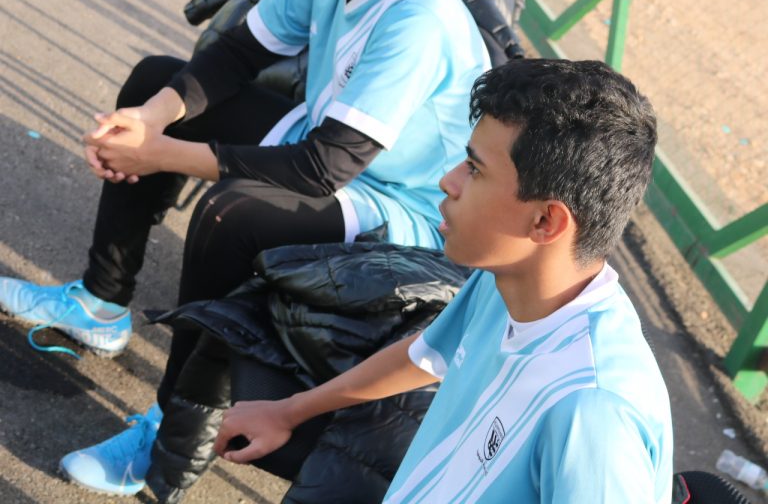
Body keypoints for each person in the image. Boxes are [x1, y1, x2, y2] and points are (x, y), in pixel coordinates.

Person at [0, 0, 489, 494]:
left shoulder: (417, 21)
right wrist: (149, 121)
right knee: (153, 79)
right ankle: (100, 305)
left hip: (404, 209)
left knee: (232, 214)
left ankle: (174, 428)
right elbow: (238, 52)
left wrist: (161, 153)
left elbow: (323, 168)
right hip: (329, 150)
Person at [212, 58, 674, 503]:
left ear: (546, 222)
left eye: (474, 169)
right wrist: (288, 411)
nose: (448, 181)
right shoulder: (507, 283)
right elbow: (425, 354)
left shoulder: (594, 413)